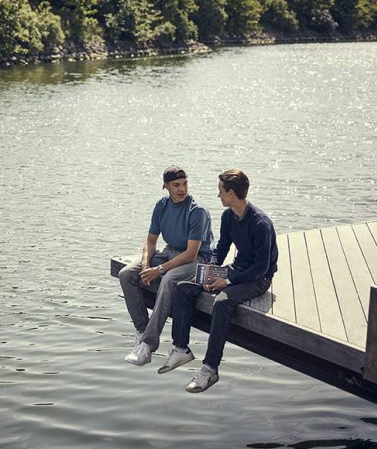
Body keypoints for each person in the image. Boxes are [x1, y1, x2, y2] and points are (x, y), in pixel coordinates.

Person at [158, 169, 278, 393]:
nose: (218, 196)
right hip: (237, 270)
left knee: (222, 303)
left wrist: (228, 281)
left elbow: (261, 268)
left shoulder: (260, 224)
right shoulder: (228, 216)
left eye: (220, 191)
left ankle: (210, 369)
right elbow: (221, 248)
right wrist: (211, 269)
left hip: (258, 279)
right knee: (184, 287)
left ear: (231, 193)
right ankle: (181, 349)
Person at [119, 165, 215, 366]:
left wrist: (160, 270)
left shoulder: (197, 211)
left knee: (169, 280)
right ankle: (142, 330)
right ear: (165, 186)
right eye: (176, 185)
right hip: (170, 251)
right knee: (126, 273)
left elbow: (192, 253)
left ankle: (147, 346)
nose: (182, 189)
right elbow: (151, 241)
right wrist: (146, 265)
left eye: (185, 184)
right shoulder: (161, 205)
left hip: (198, 259)